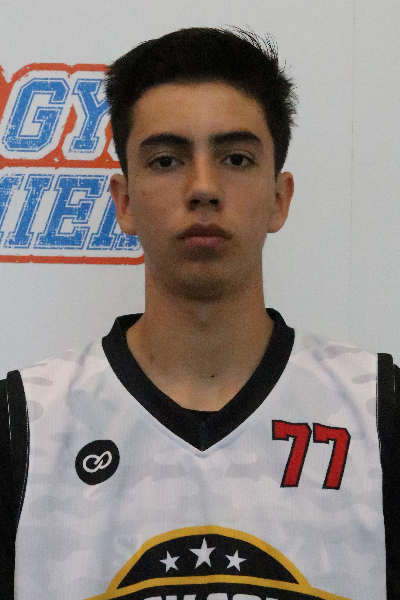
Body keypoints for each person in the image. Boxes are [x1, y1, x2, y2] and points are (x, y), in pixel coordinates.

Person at [1, 27, 399, 600]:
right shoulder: (28, 427)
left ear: (279, 198)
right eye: (167, 160)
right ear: (125, 202)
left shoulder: (377, 414)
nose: (204, 188)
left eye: (236, 158)